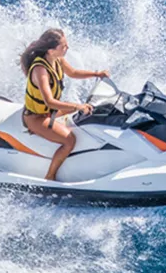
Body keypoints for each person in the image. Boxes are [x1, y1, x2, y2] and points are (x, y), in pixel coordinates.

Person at [20, 28, 109, 181]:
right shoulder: (40, 70)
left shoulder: (57, 59)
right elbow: (49, 101)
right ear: (51, 50)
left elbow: (73, 73)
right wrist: (76, 106)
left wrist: (97, 74)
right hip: (36, 118)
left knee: (89, 112)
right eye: (63, 46)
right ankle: (50, 176)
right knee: (70, 140)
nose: (67, 48)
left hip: (50, 111)